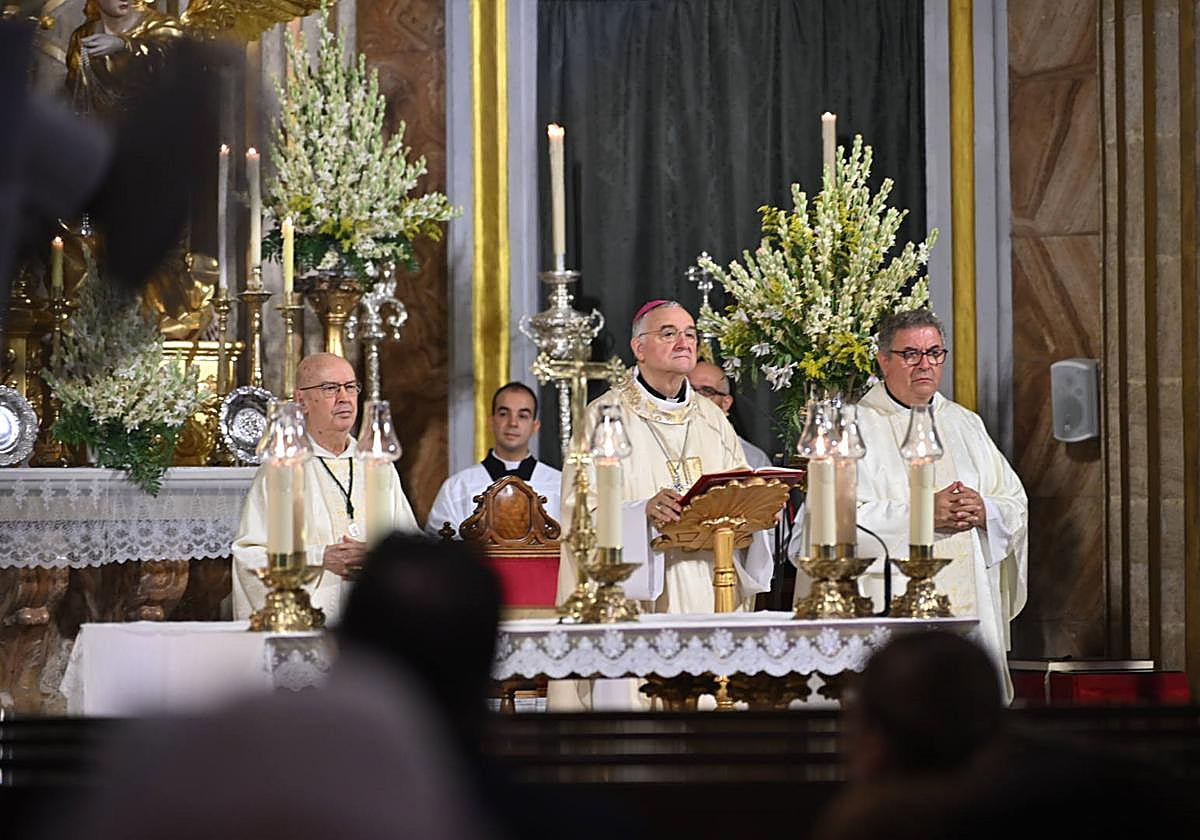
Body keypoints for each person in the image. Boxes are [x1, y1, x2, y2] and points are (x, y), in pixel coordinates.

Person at [794, 309, 1027, 699]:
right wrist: (920, 514)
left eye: (934, 353)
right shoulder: (849, 426)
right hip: (885, 604)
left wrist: (985, 510)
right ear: (883, 360)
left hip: (969, 603)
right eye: (911, 354)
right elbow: (828, 522)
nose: (925, 364)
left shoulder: (965, 424)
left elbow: (1014, 501)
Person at [556, 300, 774, 613]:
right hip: (640, 595)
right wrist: (641, 512)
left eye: (690, 334)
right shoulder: (605, 416)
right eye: (669, 334)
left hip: (711, 586)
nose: (684, 343)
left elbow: (739, 489)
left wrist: (759, 507)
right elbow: (578, 512)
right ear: (639, 348)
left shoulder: (712, 418)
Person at [231, 352, 419, 623]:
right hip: (311, 622)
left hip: (377, 621)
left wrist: (377, 555)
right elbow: (249, 555)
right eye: (330, 388)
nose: (344, 398)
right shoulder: (283, 469)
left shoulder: (377, 464)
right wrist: (320, 558)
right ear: (301, 401)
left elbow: (409, 547)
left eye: (350, 387)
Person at [425, 382, 562, 538]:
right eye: (504, 414)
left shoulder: (559, 485)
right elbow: (439, 542)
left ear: (535, 426)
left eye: (523, 416)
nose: (513, 423)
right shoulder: (457, 486)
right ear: (490, 421)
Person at [688, 359, 772, 468]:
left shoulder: (752, 458)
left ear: (725, 403)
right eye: (688, 389)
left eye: (707, 391)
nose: (695, 397)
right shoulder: (668, 442)